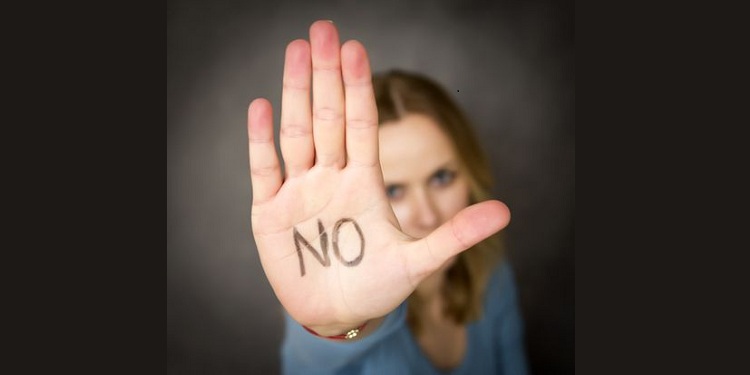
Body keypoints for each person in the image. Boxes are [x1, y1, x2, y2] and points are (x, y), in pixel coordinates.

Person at [247, 20, 529, 374]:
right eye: (392, 190)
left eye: (441, 177)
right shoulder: (345, 306)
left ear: (471, 173)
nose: (426, 215)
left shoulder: (492, 277)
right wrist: (338, 329)